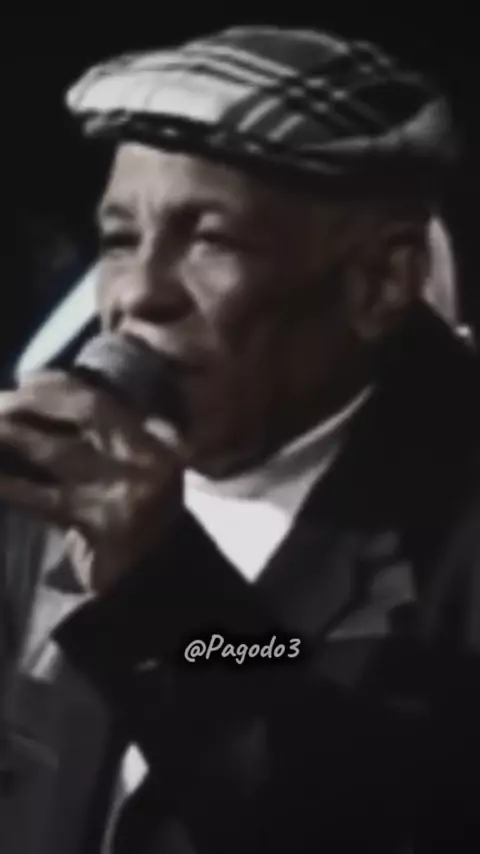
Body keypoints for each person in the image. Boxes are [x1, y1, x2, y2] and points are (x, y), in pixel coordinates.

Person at [0, 24, 480, 854]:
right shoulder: (50, 481)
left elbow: (366, 812)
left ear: (382, 280)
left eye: (210, 240)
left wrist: (157, 592)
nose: (137, 295)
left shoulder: (453, 531)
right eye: (120, 240)